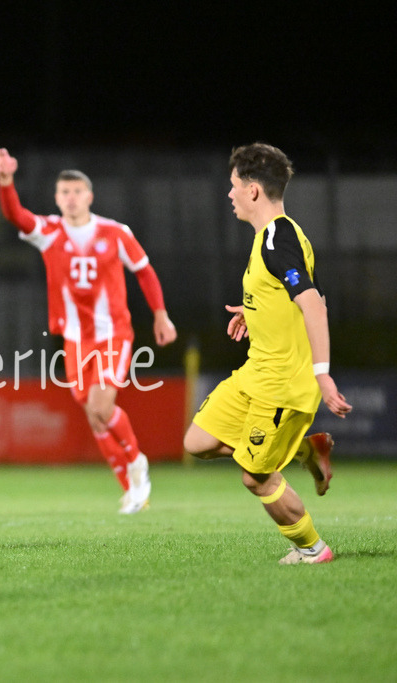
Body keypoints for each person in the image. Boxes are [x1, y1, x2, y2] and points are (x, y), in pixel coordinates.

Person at [183, 142, 352, 565]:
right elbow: (286, 295)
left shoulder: (278, 237)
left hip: (283, 385)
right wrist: (253, 311)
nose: (230, 194)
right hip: (256, 371)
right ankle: (306, 451)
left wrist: (323, 373)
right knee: (198, 441)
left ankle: (312, 548)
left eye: (234, 185)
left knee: (255, 477)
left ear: (254, 190)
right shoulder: (272, 239)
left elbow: (312, 302)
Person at [0, 144, 178, 514]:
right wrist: (6, 181)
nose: (71, 198)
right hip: (74, 339)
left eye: (77, 192)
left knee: (101, 405)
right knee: (93, 415)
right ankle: (130, 488)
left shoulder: (115, 232)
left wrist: (160, 314)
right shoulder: (49, 231)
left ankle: (137, 463)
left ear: (89, 196)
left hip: (113, 334)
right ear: (57, 198)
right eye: (64, 192)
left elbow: (144, 270)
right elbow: (16, 215)